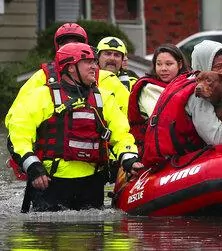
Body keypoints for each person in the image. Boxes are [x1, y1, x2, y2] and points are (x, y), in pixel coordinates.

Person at [7, 42, 143, 212]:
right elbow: (18, 135)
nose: (95, 67)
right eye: (88, 62)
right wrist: (33, 167)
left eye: (95, 62)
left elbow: (122, 134)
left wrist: (129, 158)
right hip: (49, 183)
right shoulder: (41, 96)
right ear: (70, 67)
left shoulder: (104, 98)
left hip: (92, 184)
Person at [142, 40, 222, 167]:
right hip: (180, 163)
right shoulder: (198, 95)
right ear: (204, 64)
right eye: (218, 67)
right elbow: (217, 139)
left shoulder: (190, 80)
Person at [128, 44, 190, 154]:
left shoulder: (188, 83)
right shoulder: (149, 88)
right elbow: (163, 119)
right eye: (159, 64)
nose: (163, 69)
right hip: (155, 151)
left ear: (179, 64)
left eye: (169, 64)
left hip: (185, 145)